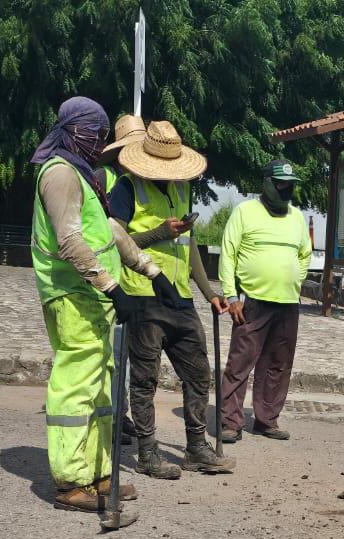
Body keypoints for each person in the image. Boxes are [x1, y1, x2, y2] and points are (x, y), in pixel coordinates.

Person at [30, 97, 166, 519]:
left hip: (93, 299)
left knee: (101, 387)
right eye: (94, 133)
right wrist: (112, 287)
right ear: (73, 131)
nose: (98, 142)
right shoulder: (58, 174)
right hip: (73, 295)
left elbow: (108, 231)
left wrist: (149, 270)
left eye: (102, 135)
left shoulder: (84, 176)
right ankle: (71, 482)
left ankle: (100, 474)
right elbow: (70, 240)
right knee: (77, 385)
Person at [109, 121, 234, 479]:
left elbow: (189, 245)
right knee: (144, 381)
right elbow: (115, 240)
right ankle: (148, 454)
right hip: (142, 294)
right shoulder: (126, 188)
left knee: (199, 374)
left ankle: (196, 449)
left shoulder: (181, 189)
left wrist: (209, 293)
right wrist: (160, 232)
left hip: (179, 297)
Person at [218, 159, 312, 443]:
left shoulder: (296, 217)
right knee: (240, 364)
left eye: (290, 185)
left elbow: (304, 254)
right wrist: (231, 295)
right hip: (253, 301)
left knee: (278, 365)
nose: (286, 189)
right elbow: (228, 253)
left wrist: (294, 279)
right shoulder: (245, 212)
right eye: (281, 184)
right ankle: (230, 423)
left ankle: (266, 420)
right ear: (267, 183)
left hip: (287, 302)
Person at [97, 115, 147, 444]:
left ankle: (121, 412)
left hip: (131, 276)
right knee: (112, 353)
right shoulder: (106, 177)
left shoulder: (136, 182)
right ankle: (110, 415)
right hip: (107, 274)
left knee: (125, 353)